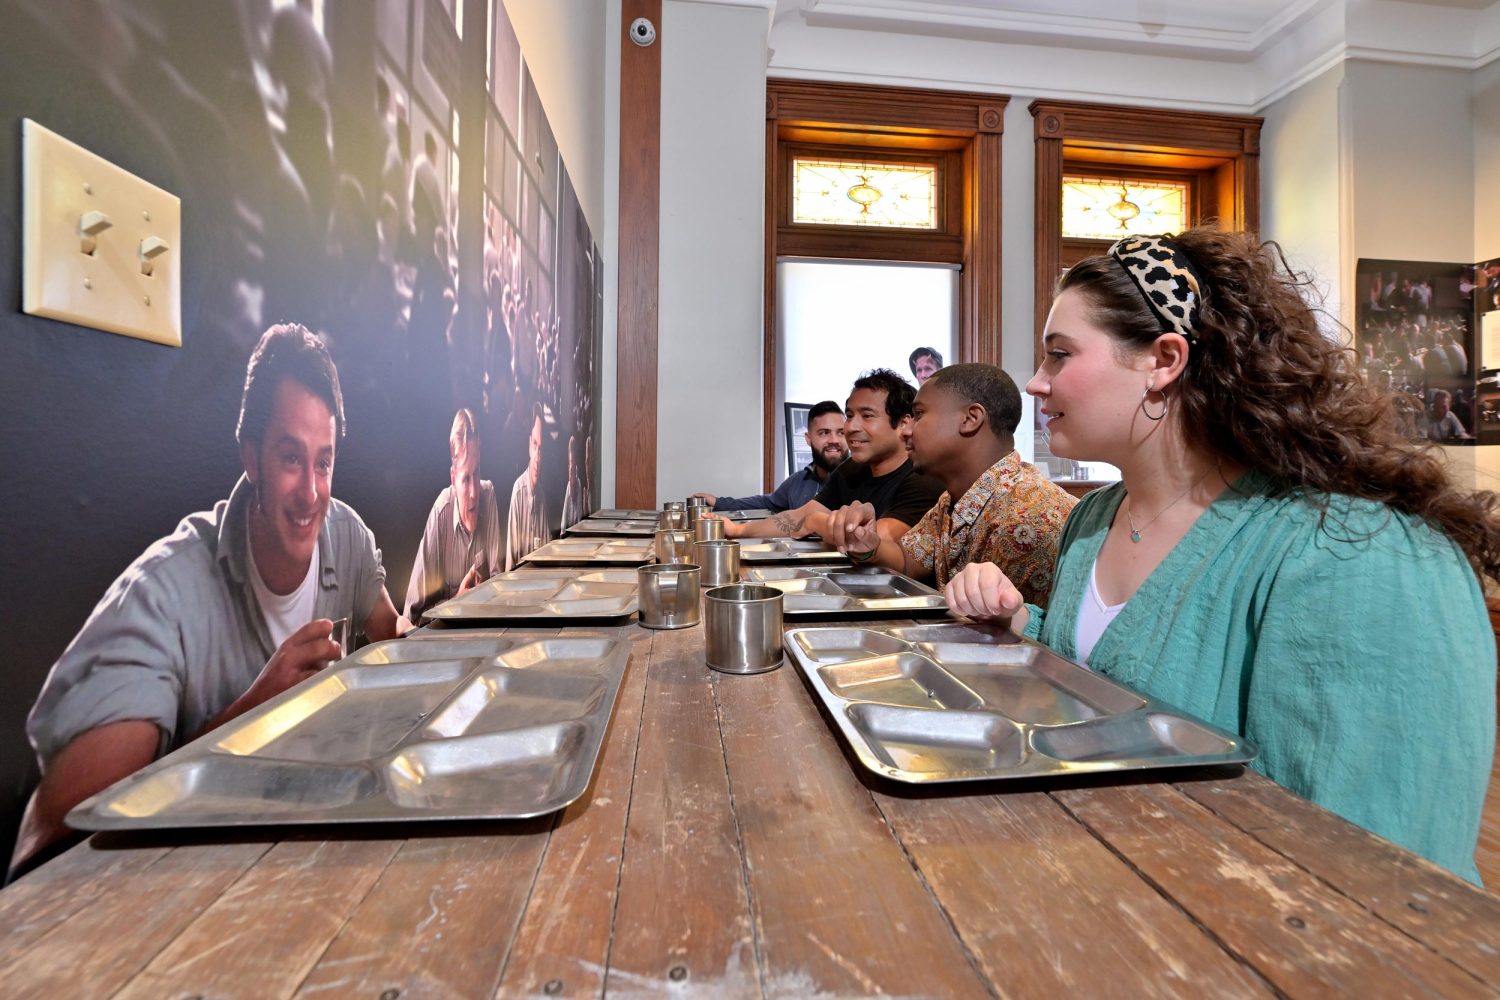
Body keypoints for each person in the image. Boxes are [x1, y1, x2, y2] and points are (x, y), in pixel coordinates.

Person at [944, 229, 1497, 883]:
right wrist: (1019, 629)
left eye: (1060, 355)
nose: (1036, 383)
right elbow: (1116, 671)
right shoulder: (1093, 520)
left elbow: (1377, 870)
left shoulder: (1359, 554)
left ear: (1164, 360)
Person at [14, 324, 407, 875]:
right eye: (291, 459)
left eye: (324, 461)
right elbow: (51, 842)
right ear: (251, 458)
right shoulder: (164, 596)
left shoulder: (348, 536)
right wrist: (251, 716)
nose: (313, 493)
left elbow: (396, 639)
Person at [825, 364, 1075, 606]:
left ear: (970, 418)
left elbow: (1004, 638)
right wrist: (867, 544)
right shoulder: (953, 499)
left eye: (919, 414)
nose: (905, 431)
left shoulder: (1025, 519)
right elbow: (906, 560)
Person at [720, 370, 943, 542]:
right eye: (849, 415)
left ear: (904, 423)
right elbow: (799, 516)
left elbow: (876, 539)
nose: (851, 427)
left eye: (867, 416)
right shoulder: (850, 470)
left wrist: (816, 522)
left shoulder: (923, 476)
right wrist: (738, 530)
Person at [403, 408, 503, 620]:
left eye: (477, 474)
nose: (475, 492)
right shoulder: (442, 513)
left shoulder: (488, 494)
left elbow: (499, 585)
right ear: (453, 477)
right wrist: (457, 603)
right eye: (466, 479)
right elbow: (412, 617)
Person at [694, 400, 848, 513]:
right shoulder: (798, 482)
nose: (834, 440)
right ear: (808, 439)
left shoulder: (863, 480)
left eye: (841, 432)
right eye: (824, 433)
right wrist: (718, 503)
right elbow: (765, 502)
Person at [506, 402, 551, 570]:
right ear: (528, 445)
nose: (537, 456)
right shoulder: (518, 492)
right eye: (535, 445)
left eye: (541, 449)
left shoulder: (541, 495)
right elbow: (510, 563)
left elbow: (548, 553)